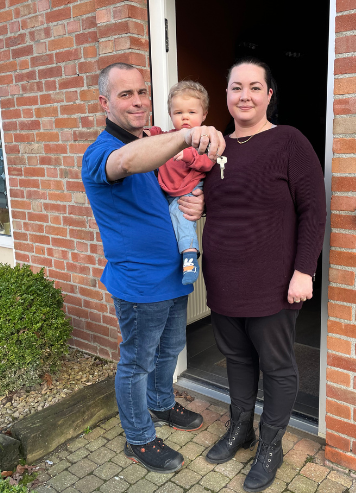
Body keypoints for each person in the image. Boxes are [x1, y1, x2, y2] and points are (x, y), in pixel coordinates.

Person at [81, 62, 226, 474]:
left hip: (173, 276)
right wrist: (186, 134)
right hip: (140, 283)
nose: (137, 101)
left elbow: (177, 193)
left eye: (142, 92)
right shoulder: (102, 153)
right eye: (125, 94)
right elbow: (127, 162)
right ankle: (139, 438)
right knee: (137, 362)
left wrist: (199, 205)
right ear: (105, 102)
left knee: (171, 348)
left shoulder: (157, 145)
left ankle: (161, 404)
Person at [202, 59, 326, 492]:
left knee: (276, 366)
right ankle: (241, 429)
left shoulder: (289, 141)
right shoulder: (215, 148)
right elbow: (211, 199)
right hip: (223, 278)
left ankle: (270, 446)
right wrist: (193, 203)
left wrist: (304, 270)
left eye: (255, 87)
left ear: (269, 95)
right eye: (237, 87)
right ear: (227, 95)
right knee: (237, 359)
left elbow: (314, 211)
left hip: (273, 283)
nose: (245, 96)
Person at [150, 81, 216, 285]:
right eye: (178, 112)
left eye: (191, 112)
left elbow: (207, 162)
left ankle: (190, 256)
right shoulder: (167, 138)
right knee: (169, 221)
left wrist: (189, 155)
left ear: (204, 114)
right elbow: (150, 137)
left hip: (189, 188)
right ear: (170, 114)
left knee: (182, 217)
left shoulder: (203, 139)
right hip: (168, 190)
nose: (185, 117)